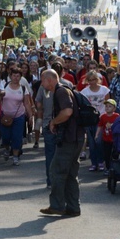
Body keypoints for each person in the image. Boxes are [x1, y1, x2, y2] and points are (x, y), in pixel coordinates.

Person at [39, 69, 82, 217]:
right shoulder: (63, 90)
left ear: (49, 80)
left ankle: (57, 205)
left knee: (57, 170)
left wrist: (53, 122)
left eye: (43, 80)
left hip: (69, 138)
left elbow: (67, 112)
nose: (42, 83)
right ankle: (73, 207)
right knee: (70, 173)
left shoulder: (60, 92)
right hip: (76, 137)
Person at [0, 67, 32, 166]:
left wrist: (30, 116)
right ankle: (7, 148)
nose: (16, 78)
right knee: (6, 136)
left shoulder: (23, 88)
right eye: (14, 76)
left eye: (18, 76)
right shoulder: (5, 85)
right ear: (10, 76)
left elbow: (27, 103)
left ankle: (15, 156)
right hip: (5, 116)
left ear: (20, 77)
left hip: (18, 116)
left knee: (17, 137)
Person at [80, 71, 110, 171]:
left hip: (101, 119)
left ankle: (101, 161)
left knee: (99, 141)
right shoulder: (84, 92)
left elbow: (108, 105)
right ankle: (94, 162)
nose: (92, 82)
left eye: (94, 79)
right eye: (90, 80)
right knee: (91, 143)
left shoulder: (104, 90)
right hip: (89, 119)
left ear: (97, 80)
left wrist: (107, 118)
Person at [95, 99, 120, 173]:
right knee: (107, 154)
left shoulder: (117, 116)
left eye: (110, 106)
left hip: (115, 139)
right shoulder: (103, 116)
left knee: (115, 154)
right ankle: (108, 168)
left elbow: (119, 125)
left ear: (114, 108)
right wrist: (97, 134)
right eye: (106, 106)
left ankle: (115, 168)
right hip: (106, 139)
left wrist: (112, 125)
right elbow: (100, 126)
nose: (107, 108)